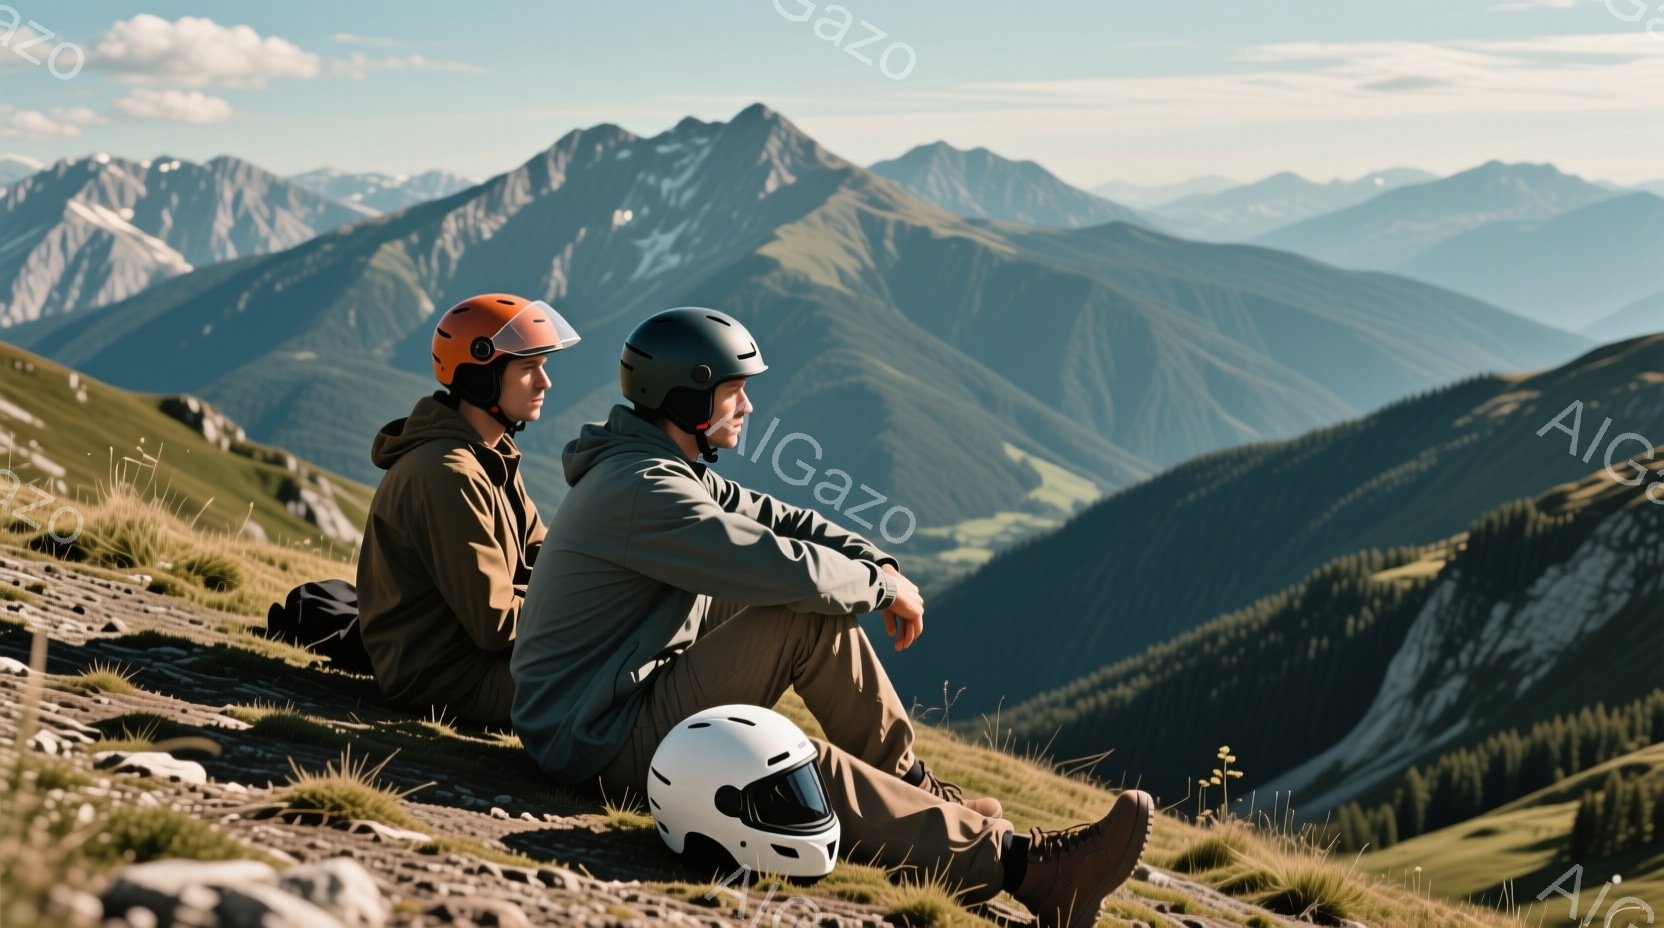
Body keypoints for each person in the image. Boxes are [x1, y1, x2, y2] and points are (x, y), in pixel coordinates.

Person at [512, 307, 1152, 927]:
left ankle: (930, 802)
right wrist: (878, 588)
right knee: (782, 748)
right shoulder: (645, 491)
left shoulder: (659, 468)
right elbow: (782, 565)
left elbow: (779, 518)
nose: (749, 407)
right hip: (596, 744)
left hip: (608, 710)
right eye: (735, 391)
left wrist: (878, 563)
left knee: (806, 616)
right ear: (688, 398)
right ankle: (1032, 870)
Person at [357, 292, 579, 726]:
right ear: (481, 374)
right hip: (448, 680)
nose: (544, 382)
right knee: (615, 685)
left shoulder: (490, 454)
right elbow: (496, 624)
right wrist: (586, 618)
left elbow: (547, 557)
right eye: (528, 368)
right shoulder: (450, 474)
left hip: (472, 662)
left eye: (544, 367)